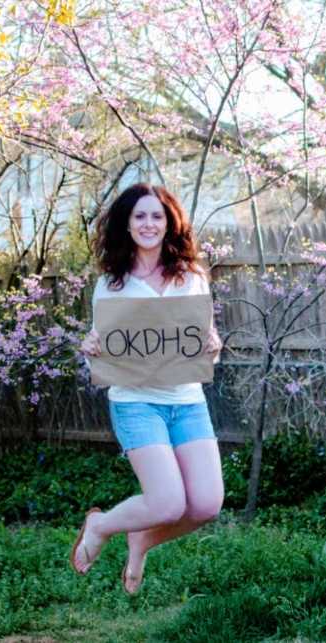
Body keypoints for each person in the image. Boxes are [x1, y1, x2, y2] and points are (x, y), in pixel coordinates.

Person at [71, 183, 224, 594]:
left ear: (170, 222)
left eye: (157, 215)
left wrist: (213, 345)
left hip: (187, 401)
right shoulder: (113, 284)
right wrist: (91, 347)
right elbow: (106, 348)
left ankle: (141, 538)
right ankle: (101, 525)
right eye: (139, 216)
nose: (149, 223)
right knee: (168, 503)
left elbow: (204, 343)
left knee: (206, 505)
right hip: (137, 402)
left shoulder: (190, 277)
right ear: (126, 223)